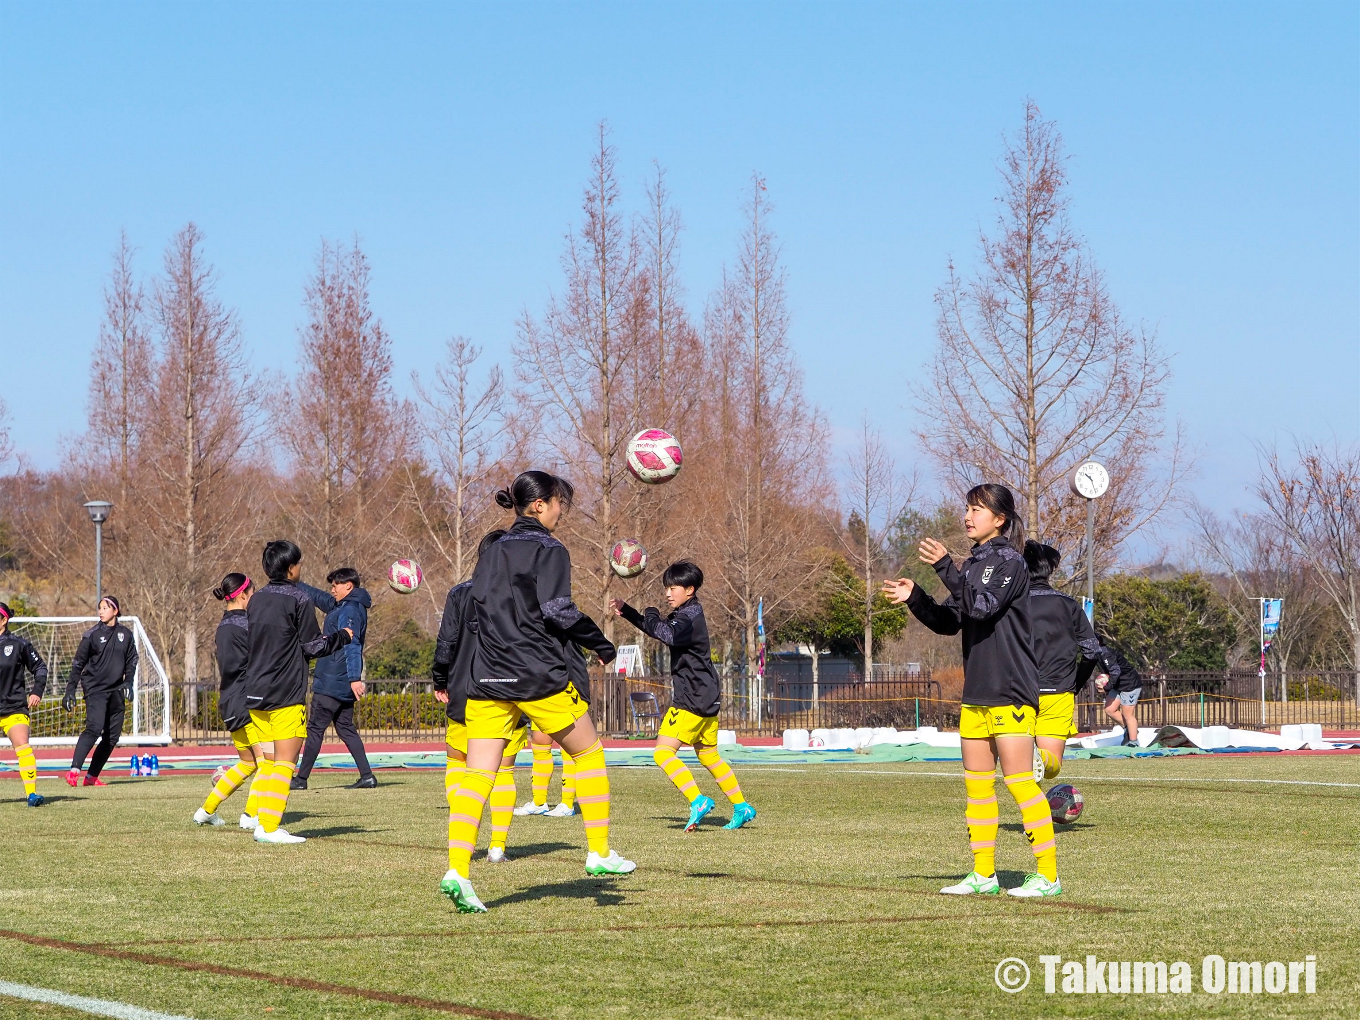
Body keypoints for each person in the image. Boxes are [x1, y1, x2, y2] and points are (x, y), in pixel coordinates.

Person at [441, 471, 634, 913]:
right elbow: (556, 610)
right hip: (536, 674)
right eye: (560, 502)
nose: (562, 511)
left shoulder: (491, 554)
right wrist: (601, 643)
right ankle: (600, 852)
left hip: (486, 678)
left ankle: (457, 870)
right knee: (589, 754)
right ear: (540, 504)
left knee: (478, 775)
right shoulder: (549, 548)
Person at [883, 484, 1060, 899]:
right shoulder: (976, 562)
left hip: (1011, 687)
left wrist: (945, 566)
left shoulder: (1009, 561)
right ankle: (984, 875)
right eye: (967, 508)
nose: (968, 515)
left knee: (1019, 782)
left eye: (977, 509)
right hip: (978, 690)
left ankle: (1048, 877)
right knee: (977, 787)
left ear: (999, 519)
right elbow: (951, 620)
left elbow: (981, 606)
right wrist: (916, 597)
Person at [610, 560, 755, 831]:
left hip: (692, 696)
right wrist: (629, 612)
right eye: (666, 588)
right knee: (709, 755)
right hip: (707, 693)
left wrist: (650, 613)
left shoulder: (687, 617)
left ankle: (697, 800)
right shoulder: (688, 612)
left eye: (673, 588)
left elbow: (667, 634)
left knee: (663, 754)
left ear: (689, 589)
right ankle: (741, 806)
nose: (667, 593)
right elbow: (661, 629)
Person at [243, 540, 351, 844]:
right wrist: (342, 637)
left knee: (268, 762)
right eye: (298, 563)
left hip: (255, 691)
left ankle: (260, 821)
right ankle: (268, 827)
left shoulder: (257, 599)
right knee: (285, 762)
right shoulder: (299, 598)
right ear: (291, 568)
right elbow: (313, 646)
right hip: (285, 691)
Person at [432, 529, 529, 864]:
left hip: (464, 689)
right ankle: (498, 846)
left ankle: (464, 842)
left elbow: (445, 642)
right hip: (510, 691)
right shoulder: (521, 593)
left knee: (458, 762)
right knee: (503, 770)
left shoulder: (460, 593)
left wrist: (440, 679)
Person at [1022, 542, 1102, 782]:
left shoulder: (1012, 606)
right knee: (1051, 767)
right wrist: (1075, 684)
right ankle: (1041, 759)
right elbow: (1091, 651)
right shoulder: (1068, 605)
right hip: (1058, 692)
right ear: (1049, 570)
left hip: (1018, 691)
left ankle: (1031, 815)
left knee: (1019, 767)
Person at [194, 573, 268, 828]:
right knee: (266, 762)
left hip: (229, 700)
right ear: (243, 595)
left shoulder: (223, 626)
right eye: (253, 594)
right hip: (248, 700)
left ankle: (206, 810)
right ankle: (251, 815)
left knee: (248, 762)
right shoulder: (246, 625)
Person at [292, 567, 375, 790]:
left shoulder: (350, 610)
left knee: (315, 729)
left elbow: (352, 644)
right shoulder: (343, 606)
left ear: (349, 585)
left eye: (336, 585)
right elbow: (320, 598)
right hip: (340, 680)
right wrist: (292, 582)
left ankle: (300, 780)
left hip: (333, 680)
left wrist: (355, 677)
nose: (333, 589)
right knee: (346, 728)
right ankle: (367, 776)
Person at [64, 596, 138, 788]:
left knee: (112, 736)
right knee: (94, 728)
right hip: (95, 689)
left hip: (116, 690)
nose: (101, 611)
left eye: (105, 608)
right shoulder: (92, 635)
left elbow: (132, 660)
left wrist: (128, 682)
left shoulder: (126, 634)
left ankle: (91, 777)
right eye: (100, 608)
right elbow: (78, 664)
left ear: (116, 610)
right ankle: (74, 771)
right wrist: (70, 690)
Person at [0, 601, 49, 806]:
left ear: (4, 619)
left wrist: (36, 691)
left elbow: (40, 668)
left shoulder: (18, 644)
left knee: (22, 746)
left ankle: (31, 794)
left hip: (13, 708)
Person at [1096, 638, 1143, 746]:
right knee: (1109, 709)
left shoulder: (1106, 654)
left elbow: (1115, 672)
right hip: (1117, 684)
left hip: (1129, 684)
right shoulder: (1095, 654)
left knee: (1127, 714)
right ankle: (1129, 730)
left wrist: (1107, 687)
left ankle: (1133, 742)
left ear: (1097, 642)